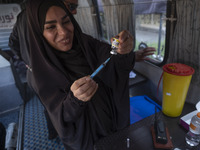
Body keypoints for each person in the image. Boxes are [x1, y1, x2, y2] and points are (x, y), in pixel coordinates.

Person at [24, 0, 136, 149]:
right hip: (87, 140)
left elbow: (114, 62)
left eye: (66, 21)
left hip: (114, 123)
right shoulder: (40, 73)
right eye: (51, 27)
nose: (64, 32)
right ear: (38, 32)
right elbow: (59, 118)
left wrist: (124, 51)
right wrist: (74, 101)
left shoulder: (86, 43)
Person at [8, 0, 79, 140]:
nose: (74, 11)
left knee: (49, 105)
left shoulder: (22, 16)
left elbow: (12, 43)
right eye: (71, 6)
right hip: (46, 73)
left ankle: (53, 132)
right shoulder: (41, 17)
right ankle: (67, 134)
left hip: (32, 73)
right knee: (61, 105)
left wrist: (26, 62)